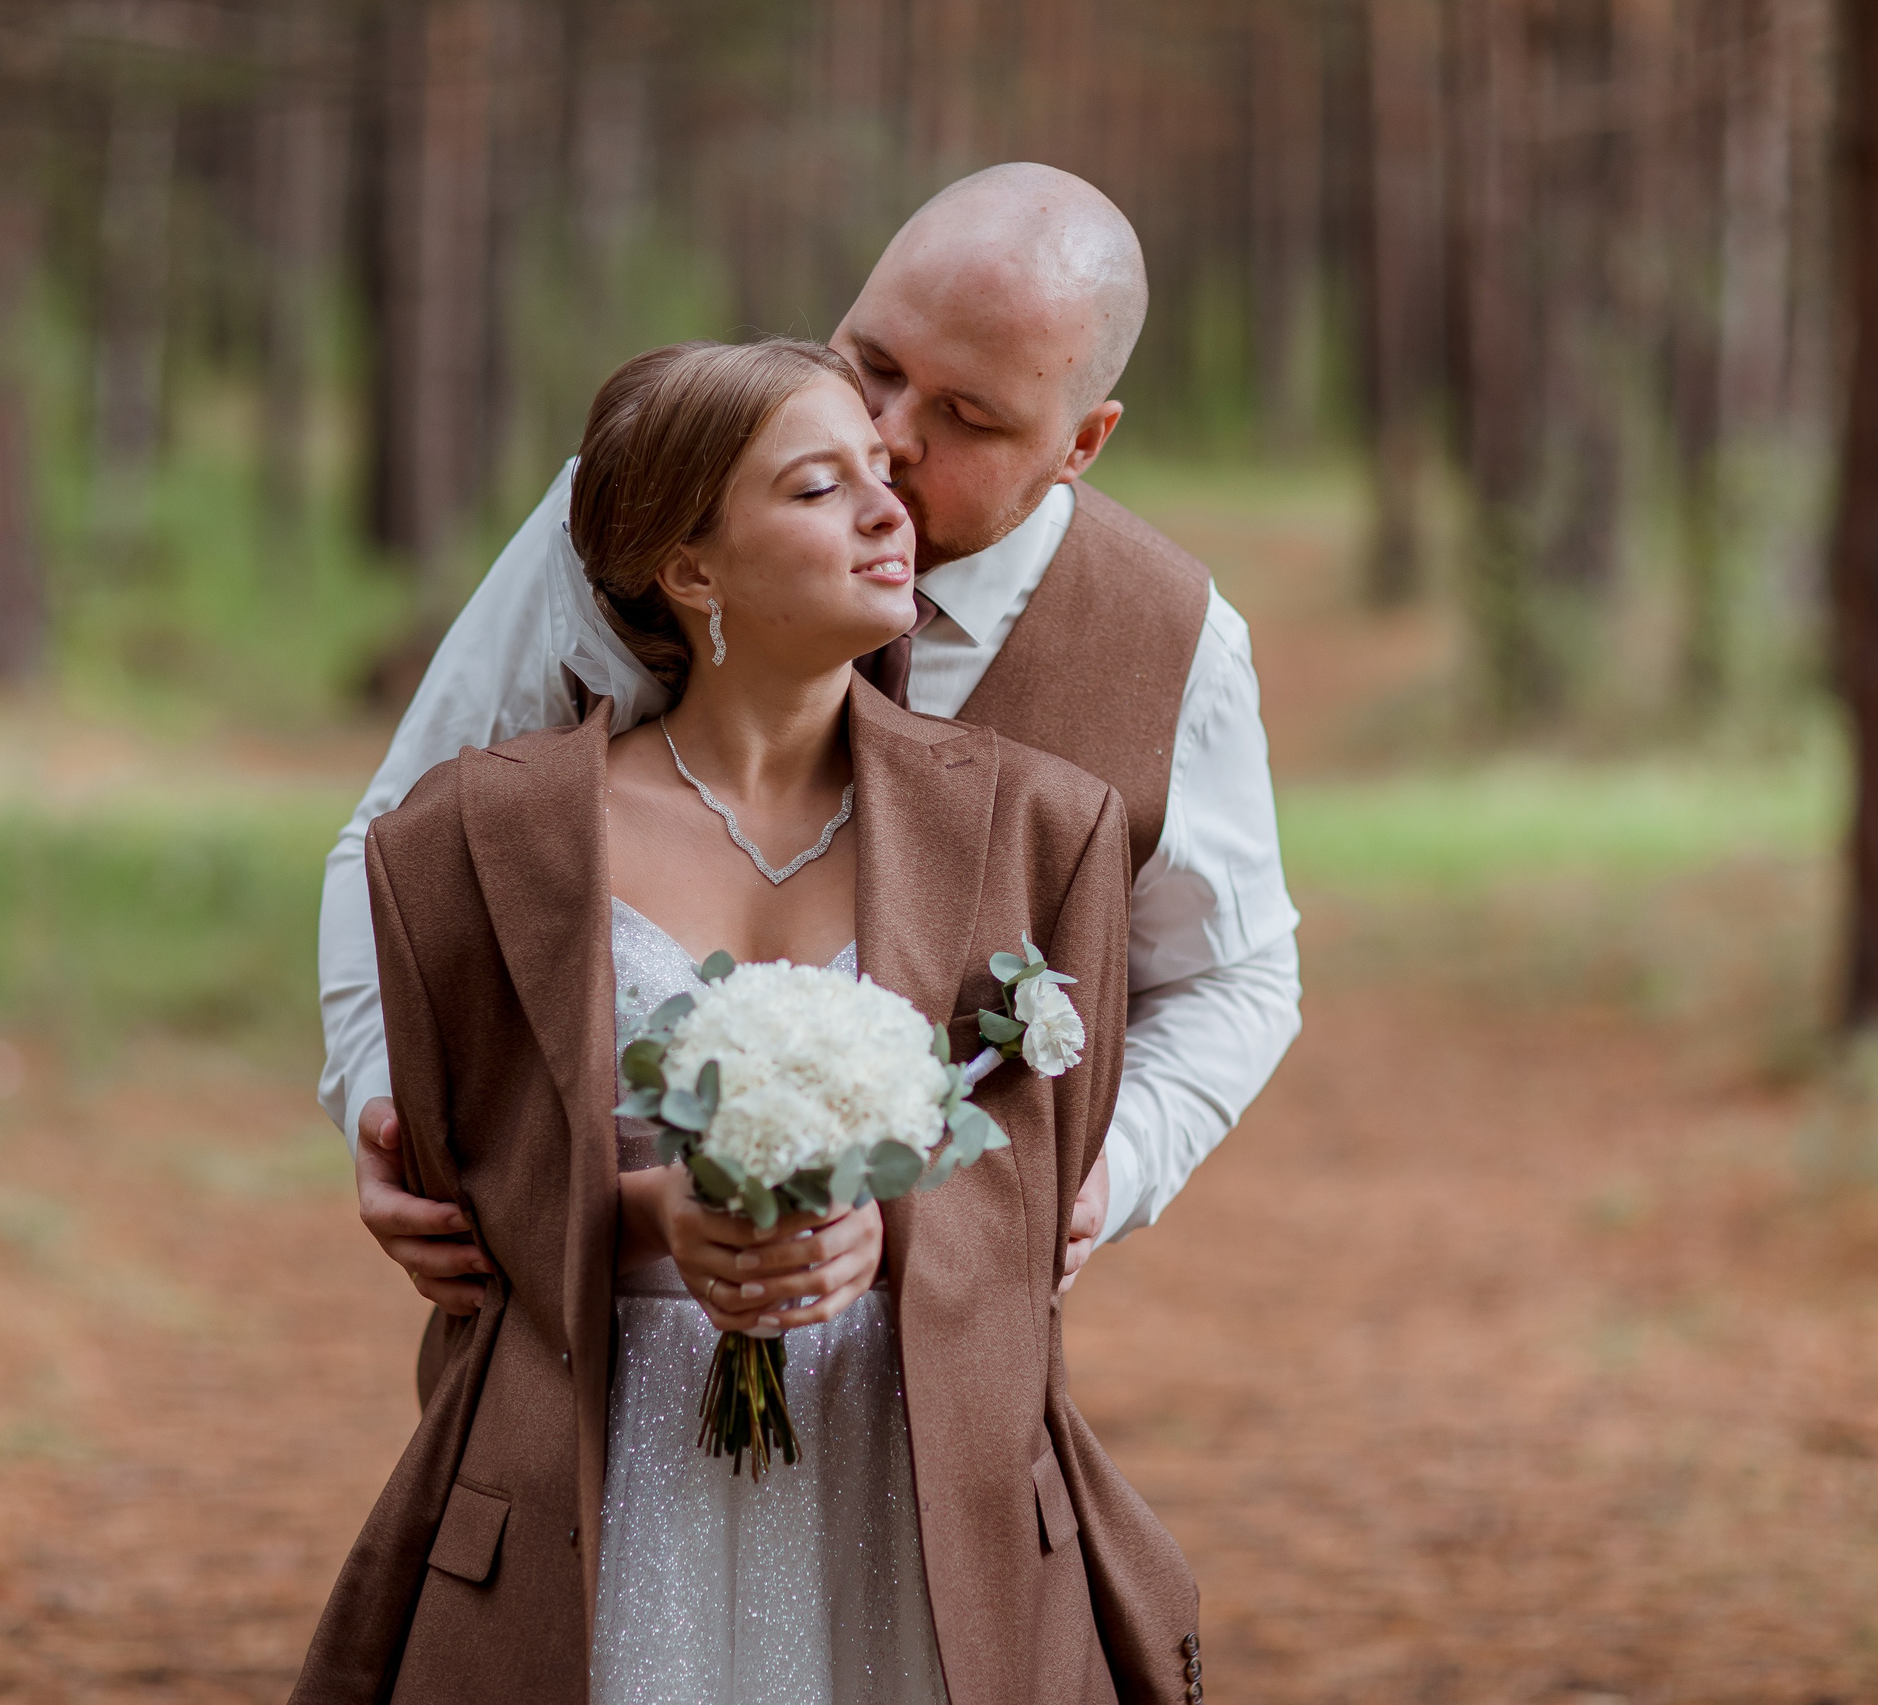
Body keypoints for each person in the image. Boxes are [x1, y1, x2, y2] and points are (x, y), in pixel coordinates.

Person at [291, 339, 1196, 1704]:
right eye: (821, 489)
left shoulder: (1042, 828)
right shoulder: (488, 836)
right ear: (691, 568)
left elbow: (1038, 1193)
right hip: (606, 1468)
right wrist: (656, 1215)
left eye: (883, 478)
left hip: (910, 1470)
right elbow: (478, 1179)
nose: (893, 512)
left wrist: (881, 1224)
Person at [321, 163, 1300, 1353]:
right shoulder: (638, 523)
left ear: (1080, 444)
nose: (887, 437)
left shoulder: (1173, 641)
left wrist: (1101, 1179)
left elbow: (1231, 976)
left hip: (930, 1380)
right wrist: (393, 1114)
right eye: (872, 361)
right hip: (572, 1345)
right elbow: (394, 848)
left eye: (969, 418)